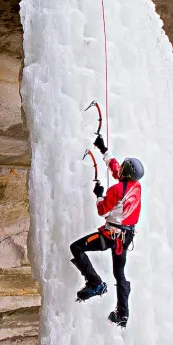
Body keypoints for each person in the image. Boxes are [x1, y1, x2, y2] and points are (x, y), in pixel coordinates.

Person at [70, 133, 144, 328]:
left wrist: (99, 195)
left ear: (126, 173)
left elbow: (102, 210)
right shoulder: (136, 187)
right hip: (126, 237)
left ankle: (95, 283)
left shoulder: (116, 190)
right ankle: (122, 314)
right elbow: (118, 171)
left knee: (76, 248)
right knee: (119, 274)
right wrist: (104, 150)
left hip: (111, 236)